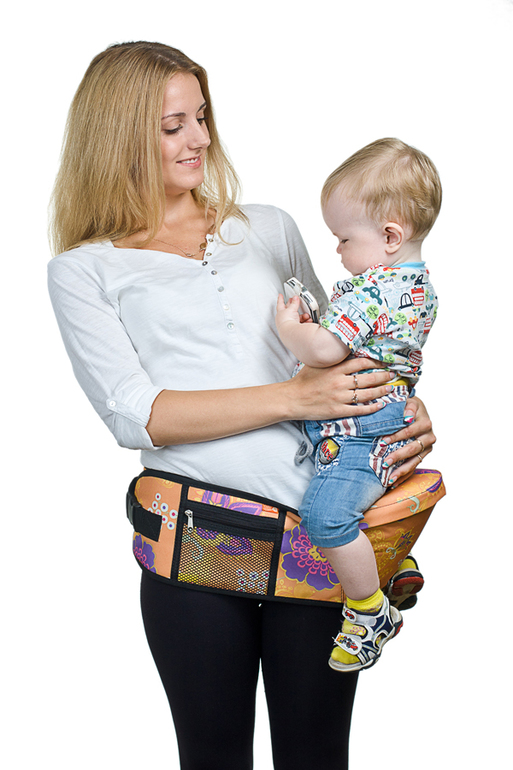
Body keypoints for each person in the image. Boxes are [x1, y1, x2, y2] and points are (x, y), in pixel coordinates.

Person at [48, 42, 436, 770]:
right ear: (118, 136)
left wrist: (401, 410)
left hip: (314, 537)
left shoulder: (268, 227)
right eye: (173, 126)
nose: (198, 138)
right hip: (196, 543)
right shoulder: (84, 269)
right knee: (213, 757)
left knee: (316, 756)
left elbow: (345, 349)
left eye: (201, 117)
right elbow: (135, 414)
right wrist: (294, 397)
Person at [275, 138, 441, 673]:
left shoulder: (371, 291)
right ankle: (392, 559)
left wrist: (290, 328)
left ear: (390, 236)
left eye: (344, 239)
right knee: (360, 500)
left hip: (360, 428)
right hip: (387, 418)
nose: (338, 252)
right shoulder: (419, 287)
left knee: (325, 517)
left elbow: (326, 350)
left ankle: (370, 611)